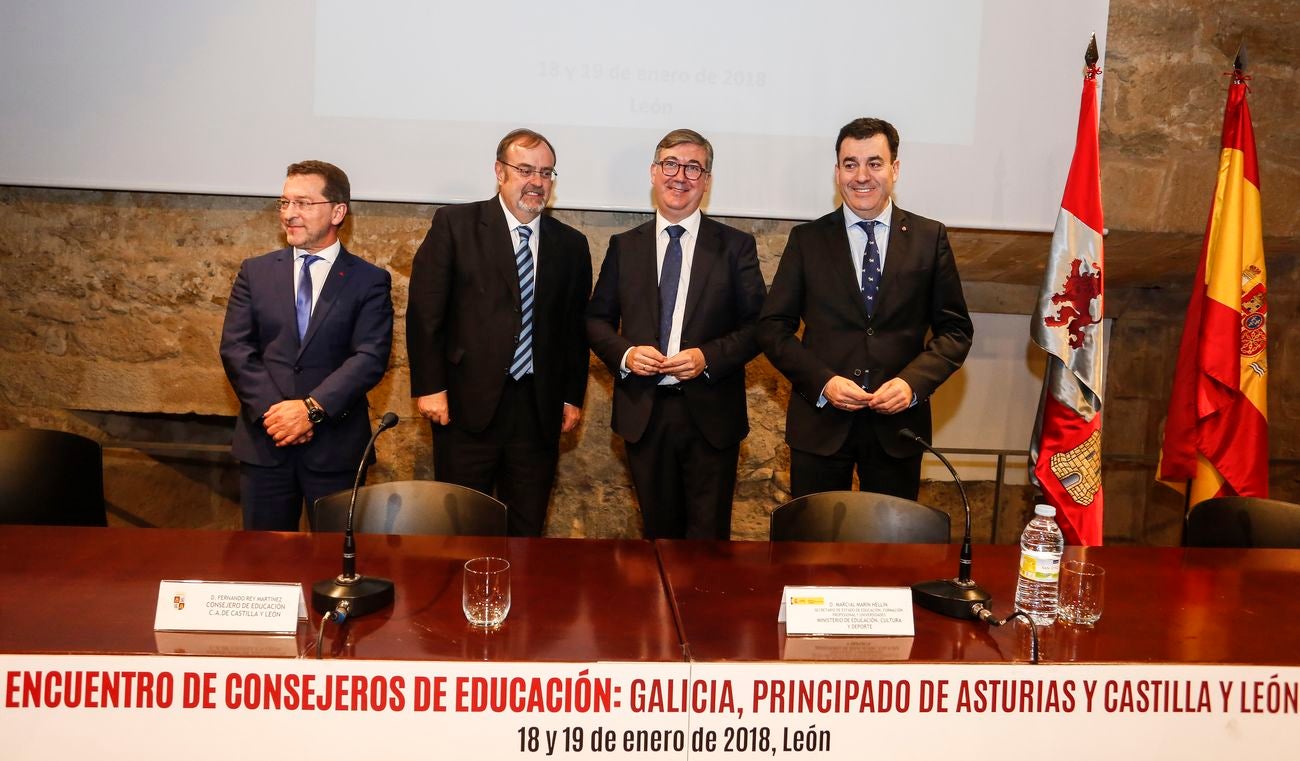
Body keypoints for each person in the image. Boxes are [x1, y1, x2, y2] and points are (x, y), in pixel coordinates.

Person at [758, 118, 973, 500]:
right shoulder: (807, 240)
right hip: (820, 426)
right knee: (812, 553)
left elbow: (955, 331)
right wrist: (823, 382)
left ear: (895, 168)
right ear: (837, 171)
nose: (862, 176)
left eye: (874, 163)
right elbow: (773, 328)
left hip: (899, 430)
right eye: (850, 164)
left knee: (889, 556)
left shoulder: (929, 238)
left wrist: (912, 384)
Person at [406, 129, 592, 536]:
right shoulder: (455, 225)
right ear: (499, 172)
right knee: (459, 526)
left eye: (546, 173)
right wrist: (430, 386)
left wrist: (571, 396)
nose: (537, 182)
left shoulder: (571, 245)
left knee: (526, 528)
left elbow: (575, 331)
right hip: (464, 407)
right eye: (525, 169)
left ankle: (521, 598)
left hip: (538, 412)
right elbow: (425, 311)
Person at [587, 129, 766, 539]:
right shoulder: (624, 247)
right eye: (670, 164)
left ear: (706, 180)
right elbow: (596, 321)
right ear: (654, 172)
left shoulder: (736, 247)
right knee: (657, 537)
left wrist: (709, 357)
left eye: (693, 167)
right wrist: (627, 354)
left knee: (708, 543)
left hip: (711, 415)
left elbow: (759, 326)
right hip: (645, 414)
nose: (680, 176)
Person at [220, 160, 394, 530]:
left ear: (337, 211)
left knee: (335, 569)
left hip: (335, 450)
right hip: (266, 446)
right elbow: (236, 348)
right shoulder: (256, 271)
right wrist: (278, 415)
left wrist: (311, 410)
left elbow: (369, 357)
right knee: (264, 567)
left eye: (302, 203)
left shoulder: (369, 280)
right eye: (284, 203)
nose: (289, 214)